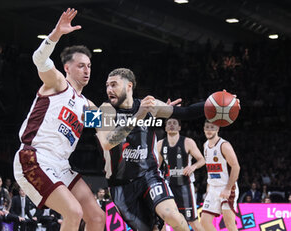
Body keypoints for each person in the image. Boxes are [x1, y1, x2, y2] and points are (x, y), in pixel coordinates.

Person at [13, 8, 105, 231]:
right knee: (73, 212)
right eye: (81, 65)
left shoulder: (86, 105)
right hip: (35, 157)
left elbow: (110, 130)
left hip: (61, 165)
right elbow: (39, 59)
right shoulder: (57, 84)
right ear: (67, 68)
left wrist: (145, 112)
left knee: (97, 217)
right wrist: (56, 34)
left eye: (89, 66)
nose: (87, 70)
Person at [95, 68, 219, 231]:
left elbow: (186, 112)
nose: (109, 89)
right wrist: (138, 116)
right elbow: (107, 143)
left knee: (173, 216)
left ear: (129, 86)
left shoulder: (149, 106)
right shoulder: (102, 110)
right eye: (107, 86)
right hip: (121, 186)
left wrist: (217, 103)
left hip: (149, 175)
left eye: (113, 85)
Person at [157, 118, 205, 231]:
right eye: (169, 123)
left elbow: (202, 160)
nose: (172, 125)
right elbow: (157, 167)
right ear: (165, 128)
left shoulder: (188, 142)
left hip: (185, 186)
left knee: (192, 221)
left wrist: (193, 167)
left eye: (174, 123)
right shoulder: (160, 144)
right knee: (162, 221)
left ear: (179, 127)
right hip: (168, 187)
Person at [200, 121, 240, 231]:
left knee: (230, 224)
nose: (209, 130)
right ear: (203, 129)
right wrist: (209, 187)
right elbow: (210, 169)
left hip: (226, 187)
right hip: (213, 188)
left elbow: (236, 167)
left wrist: (228, 188)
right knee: (204, 223)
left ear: (217, 129)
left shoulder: (224, 145)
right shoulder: (205, 145)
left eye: (212, 127)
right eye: (207, 127)